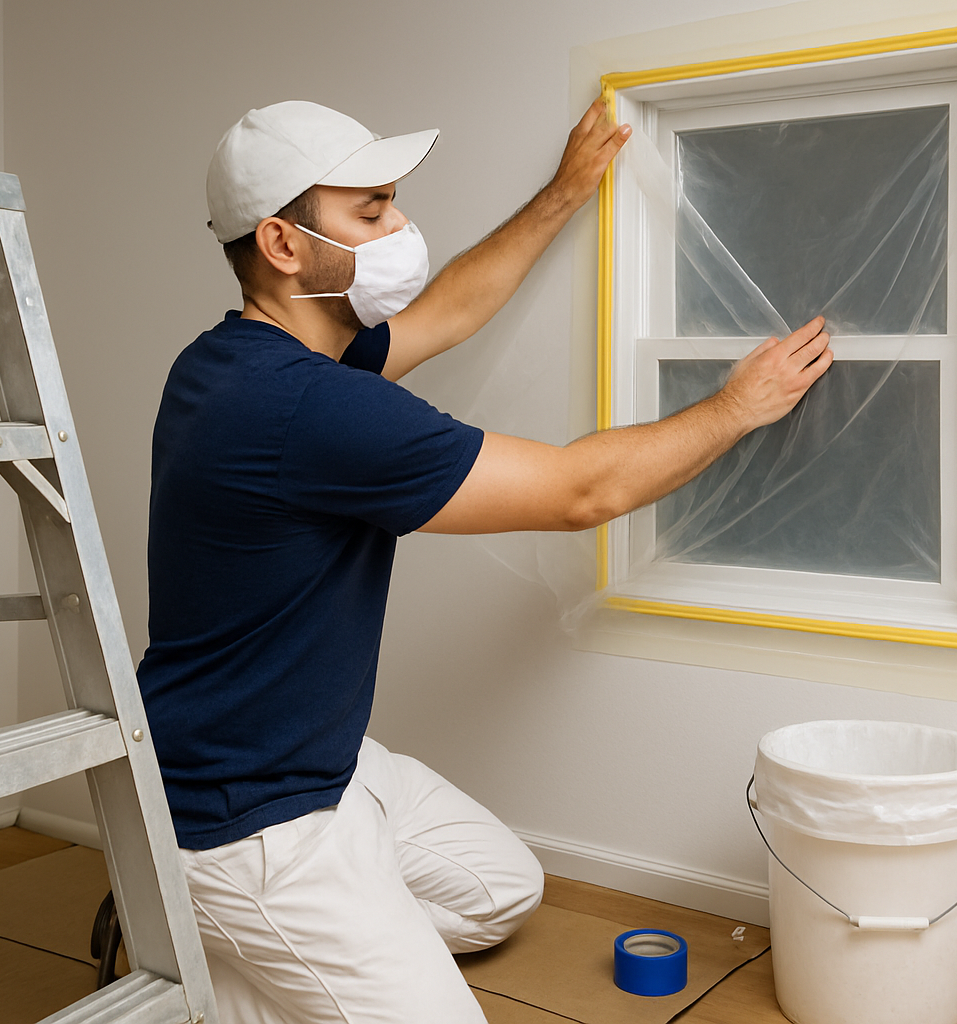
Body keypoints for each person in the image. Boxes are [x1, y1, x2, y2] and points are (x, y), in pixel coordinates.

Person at [136, 99, 833, 1024]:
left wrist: (565, 192)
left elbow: (448, 312)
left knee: (500, 889)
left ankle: (271, 947)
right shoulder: (307, 409)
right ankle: (218, 933)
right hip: (245, 822)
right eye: (373, 211)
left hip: (314, 764)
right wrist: (738, 405)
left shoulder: (237, 361)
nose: (403, 229)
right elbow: (581, 493)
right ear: (283, 244)